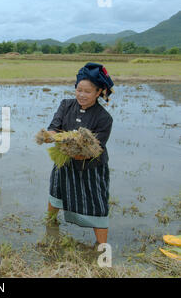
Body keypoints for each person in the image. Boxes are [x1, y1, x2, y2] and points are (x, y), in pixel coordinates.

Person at [45, 62, 114, 244]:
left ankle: (102, 247)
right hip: (65, 164)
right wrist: (49, 136)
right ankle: (50, 225)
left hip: (91, 168)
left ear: (98, 92)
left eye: (87, 91)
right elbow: (54, 127)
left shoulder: (104, 118)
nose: (81, 95)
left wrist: (72, 150)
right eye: (79, 90)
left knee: (97, 204)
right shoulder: (66, 105)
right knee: (56, 193)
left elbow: (94, 149)